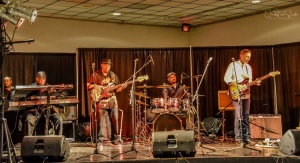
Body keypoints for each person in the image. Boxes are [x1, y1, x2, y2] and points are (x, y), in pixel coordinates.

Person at [224, 49, 261, 146]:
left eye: (249, 57)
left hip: (246, 93)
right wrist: (238, 85)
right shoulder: (233, 65)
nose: (248, 59)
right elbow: (227, 78)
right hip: (236, 92)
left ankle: (247, 137)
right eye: (246, 56)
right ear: (241, 55)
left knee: (246, 115)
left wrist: (254, 82)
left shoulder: (248, 67)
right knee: (238, 115)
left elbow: (249, 81)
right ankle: (239, 138)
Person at [87, 59, 127, 143]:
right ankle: (99, 139)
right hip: (100, 100)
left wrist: (122, 87)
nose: (107, 67)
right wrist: (98, 87)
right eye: (105, 65)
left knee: (115, 118)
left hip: (111, 99)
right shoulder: (96, 74)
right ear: (101, 65)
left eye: (109, 65)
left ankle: (115, 138)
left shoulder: (113, 75)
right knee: (100, 120)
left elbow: (117, 89)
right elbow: (88, 86)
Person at [25, 71, 63, 136]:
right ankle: (29, 142)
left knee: (59, 119)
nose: (42, 80)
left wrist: (53, 96)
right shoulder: (31, 87)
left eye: (44, 78)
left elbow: (55, 97)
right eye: (40, 78)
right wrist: (33, 97)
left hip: (48, 109)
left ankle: (59, 140)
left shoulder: (49, 87)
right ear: (36, 78)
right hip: (35, 110)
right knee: (29, 120)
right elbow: (26, 98)